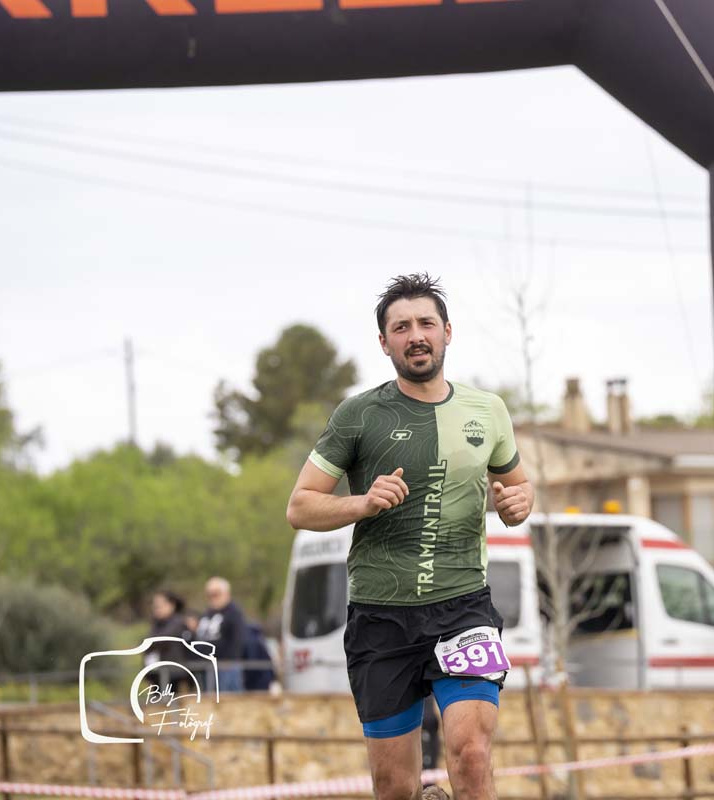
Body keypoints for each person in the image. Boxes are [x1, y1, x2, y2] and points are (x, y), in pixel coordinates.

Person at [286, 273, 534, 800]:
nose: (415, 335)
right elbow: (299, 506)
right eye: (401, 327)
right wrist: (361, 502)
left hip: (463, 607)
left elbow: (517, 488)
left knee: (471, 754)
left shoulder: (488, 410)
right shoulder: (358, 415)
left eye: (426, 323)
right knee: (394, 785)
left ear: (447, 332)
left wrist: (519, 503)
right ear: (384, 342)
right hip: (381, 618)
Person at [195, 577, 247, 693]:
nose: (212, 598)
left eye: (216, 594)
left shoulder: (234, 613)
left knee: (228, 700)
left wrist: (228, 660)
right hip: (207, 666)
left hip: (226, 666)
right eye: (209, 594)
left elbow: (238, 641)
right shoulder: (207, 614)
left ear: (226, 593)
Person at [144, 590, 193, 695]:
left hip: (174, 674)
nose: (156, 608)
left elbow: (161, 640)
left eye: (160, 605)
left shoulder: (178, 622)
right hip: (157, 673)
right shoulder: (157, 624)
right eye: (155, 605)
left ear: (171, 605)